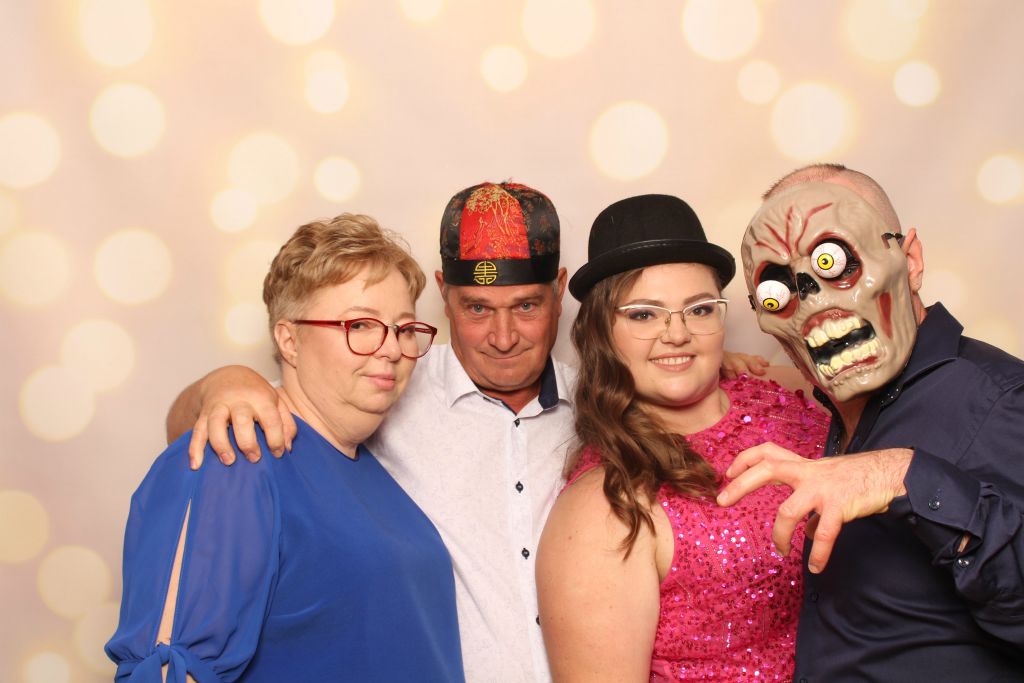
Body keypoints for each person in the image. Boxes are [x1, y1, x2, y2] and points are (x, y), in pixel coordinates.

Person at [164, 182, 768, 682]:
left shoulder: (602, 401)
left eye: (526, 306)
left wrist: (726, 368)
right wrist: (226, 382)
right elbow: (191, 430)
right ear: (443, 294)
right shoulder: (387, 381)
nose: (503, 337)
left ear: (560, 291)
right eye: (477, 308)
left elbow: (691, 391)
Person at [105, 215, 464, 681]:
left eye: (404, 328)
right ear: (289, 340)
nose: (392, 349)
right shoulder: (237, 459)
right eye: (360, 324)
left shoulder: (375, 470)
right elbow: (172, 669)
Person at [718, 163, 1024, 680]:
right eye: (778, 292)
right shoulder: (837, 412)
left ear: (910, 260)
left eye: (835, 262)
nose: (814, 304)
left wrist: (903, 476)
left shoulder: (1001, 400)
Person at [536, 194, 829, 682]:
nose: (676, 334)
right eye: (644, 315)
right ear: (602, 333)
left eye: (699, 309)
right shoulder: (605, 507)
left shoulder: (788, 395)